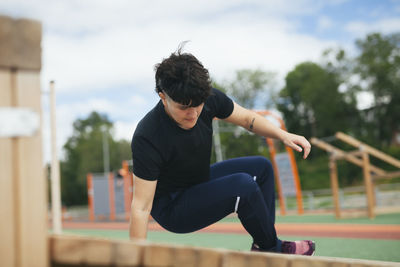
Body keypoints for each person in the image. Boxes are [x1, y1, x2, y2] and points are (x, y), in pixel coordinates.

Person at [129, 46, 315, 256]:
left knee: (261, 168)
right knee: (242, 186)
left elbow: (247, 119)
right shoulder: (148, 136)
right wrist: (136, 259)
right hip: (173, 207)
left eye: (197, 105)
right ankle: (273, 249)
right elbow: (141, 207)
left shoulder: (207, 98)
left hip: (198, 180)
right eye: (183, 107)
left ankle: (265, 246)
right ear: (163, 97)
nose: (193, 113)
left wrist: (283, 134)